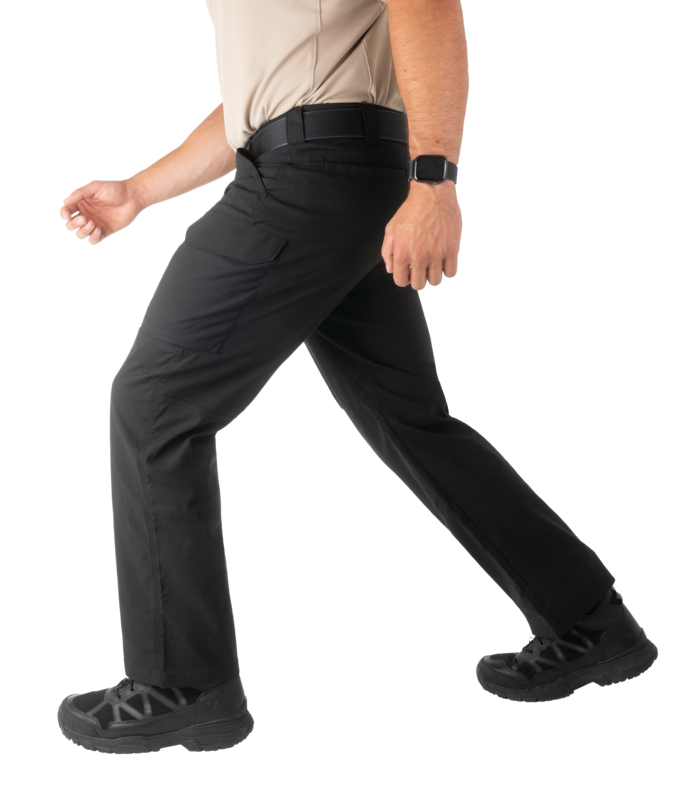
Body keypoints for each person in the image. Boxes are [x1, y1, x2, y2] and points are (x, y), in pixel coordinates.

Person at [57, 1, 657, 755]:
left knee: (155, 403)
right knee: (410, 419)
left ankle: (181, 684)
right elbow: (261, 103)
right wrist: (140, 190)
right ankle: (589, 621)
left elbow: (426, 6)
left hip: (313, 180)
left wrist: (435, 179)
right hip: (334, 172)